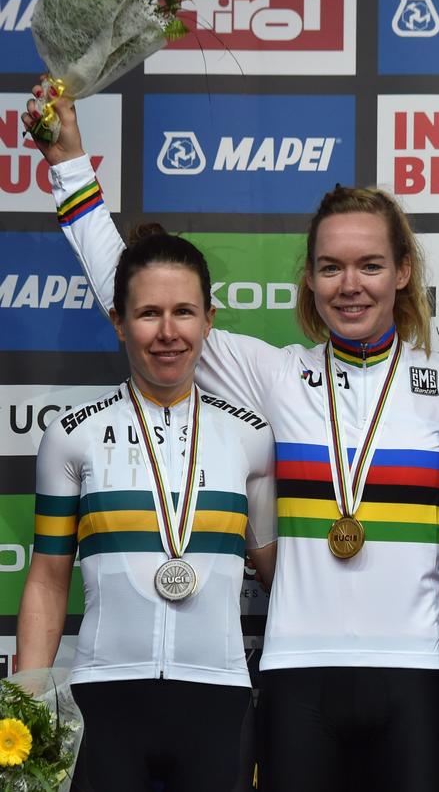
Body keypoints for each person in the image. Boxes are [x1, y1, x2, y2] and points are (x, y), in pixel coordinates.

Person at [23, 91, 439, 792]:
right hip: (294, 675)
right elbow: (133, 288)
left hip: (419, 671)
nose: (350, 284)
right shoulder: (272, 374)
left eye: (369, 264)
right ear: (309, 277)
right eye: (330, 266)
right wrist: (66, 162)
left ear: (403, 272)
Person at [16, 223, 277, 792]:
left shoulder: (252, 438)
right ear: (118, 321)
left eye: (184, 312)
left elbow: (277, 569)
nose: (167, 333)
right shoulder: (72, 435)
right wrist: (26, 702)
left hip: (220, 699)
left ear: (209, 318)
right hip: (103, 699)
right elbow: (47, 577)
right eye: (147, 314)